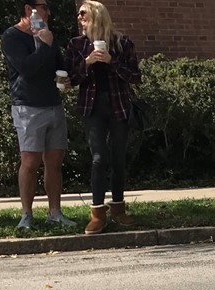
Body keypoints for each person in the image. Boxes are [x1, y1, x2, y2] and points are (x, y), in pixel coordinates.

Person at [67, 1, 141, 235]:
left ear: (97, 16)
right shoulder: (77, 45)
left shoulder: (122, 43)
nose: (79, 18)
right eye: (79, 15)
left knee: (118, 158)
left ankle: (118, 209)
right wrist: (87, 62)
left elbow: (135, 77)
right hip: (93, 109)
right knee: (99, 158)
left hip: (118, 106)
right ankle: (97, 213)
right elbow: (71, 79)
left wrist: (111, 60)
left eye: (83, 14)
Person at [2, 1, 74, 230]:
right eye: (44, 6)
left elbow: (58, 66)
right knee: (30, 162)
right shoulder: (12, 37)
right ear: (28, 9)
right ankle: (26, 215)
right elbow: (26, 68)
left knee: (54, 162)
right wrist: (43, 44)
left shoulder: (48, 35)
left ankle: (55, 213)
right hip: (28, 107)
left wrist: (65, 79)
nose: (49, 12)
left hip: (53, 105)